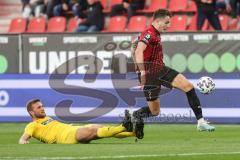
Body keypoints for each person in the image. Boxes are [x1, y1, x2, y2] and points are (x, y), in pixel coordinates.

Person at [131, 9, 215, 139]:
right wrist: (142, 72)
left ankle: (201, 122)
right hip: (151, 72)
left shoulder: (155, 34)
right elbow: (138, 51)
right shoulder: (149, 33)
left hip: (157, 70)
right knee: (157, 110)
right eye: (166, 22)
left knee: (185, 89)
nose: (168, 25)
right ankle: (136, 116)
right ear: (157, 21)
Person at [19, 99, 137, 144]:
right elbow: (23, 138)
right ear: (31, 112)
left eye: (42, 106)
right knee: (93, 131)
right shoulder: (32, 125)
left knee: (99, 126)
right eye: (38, 107)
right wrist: (24, 141)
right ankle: (125, 125)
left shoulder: (46, 118)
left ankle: (133, 133)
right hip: (66, 137)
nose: (42, 108)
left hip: (71, 129)